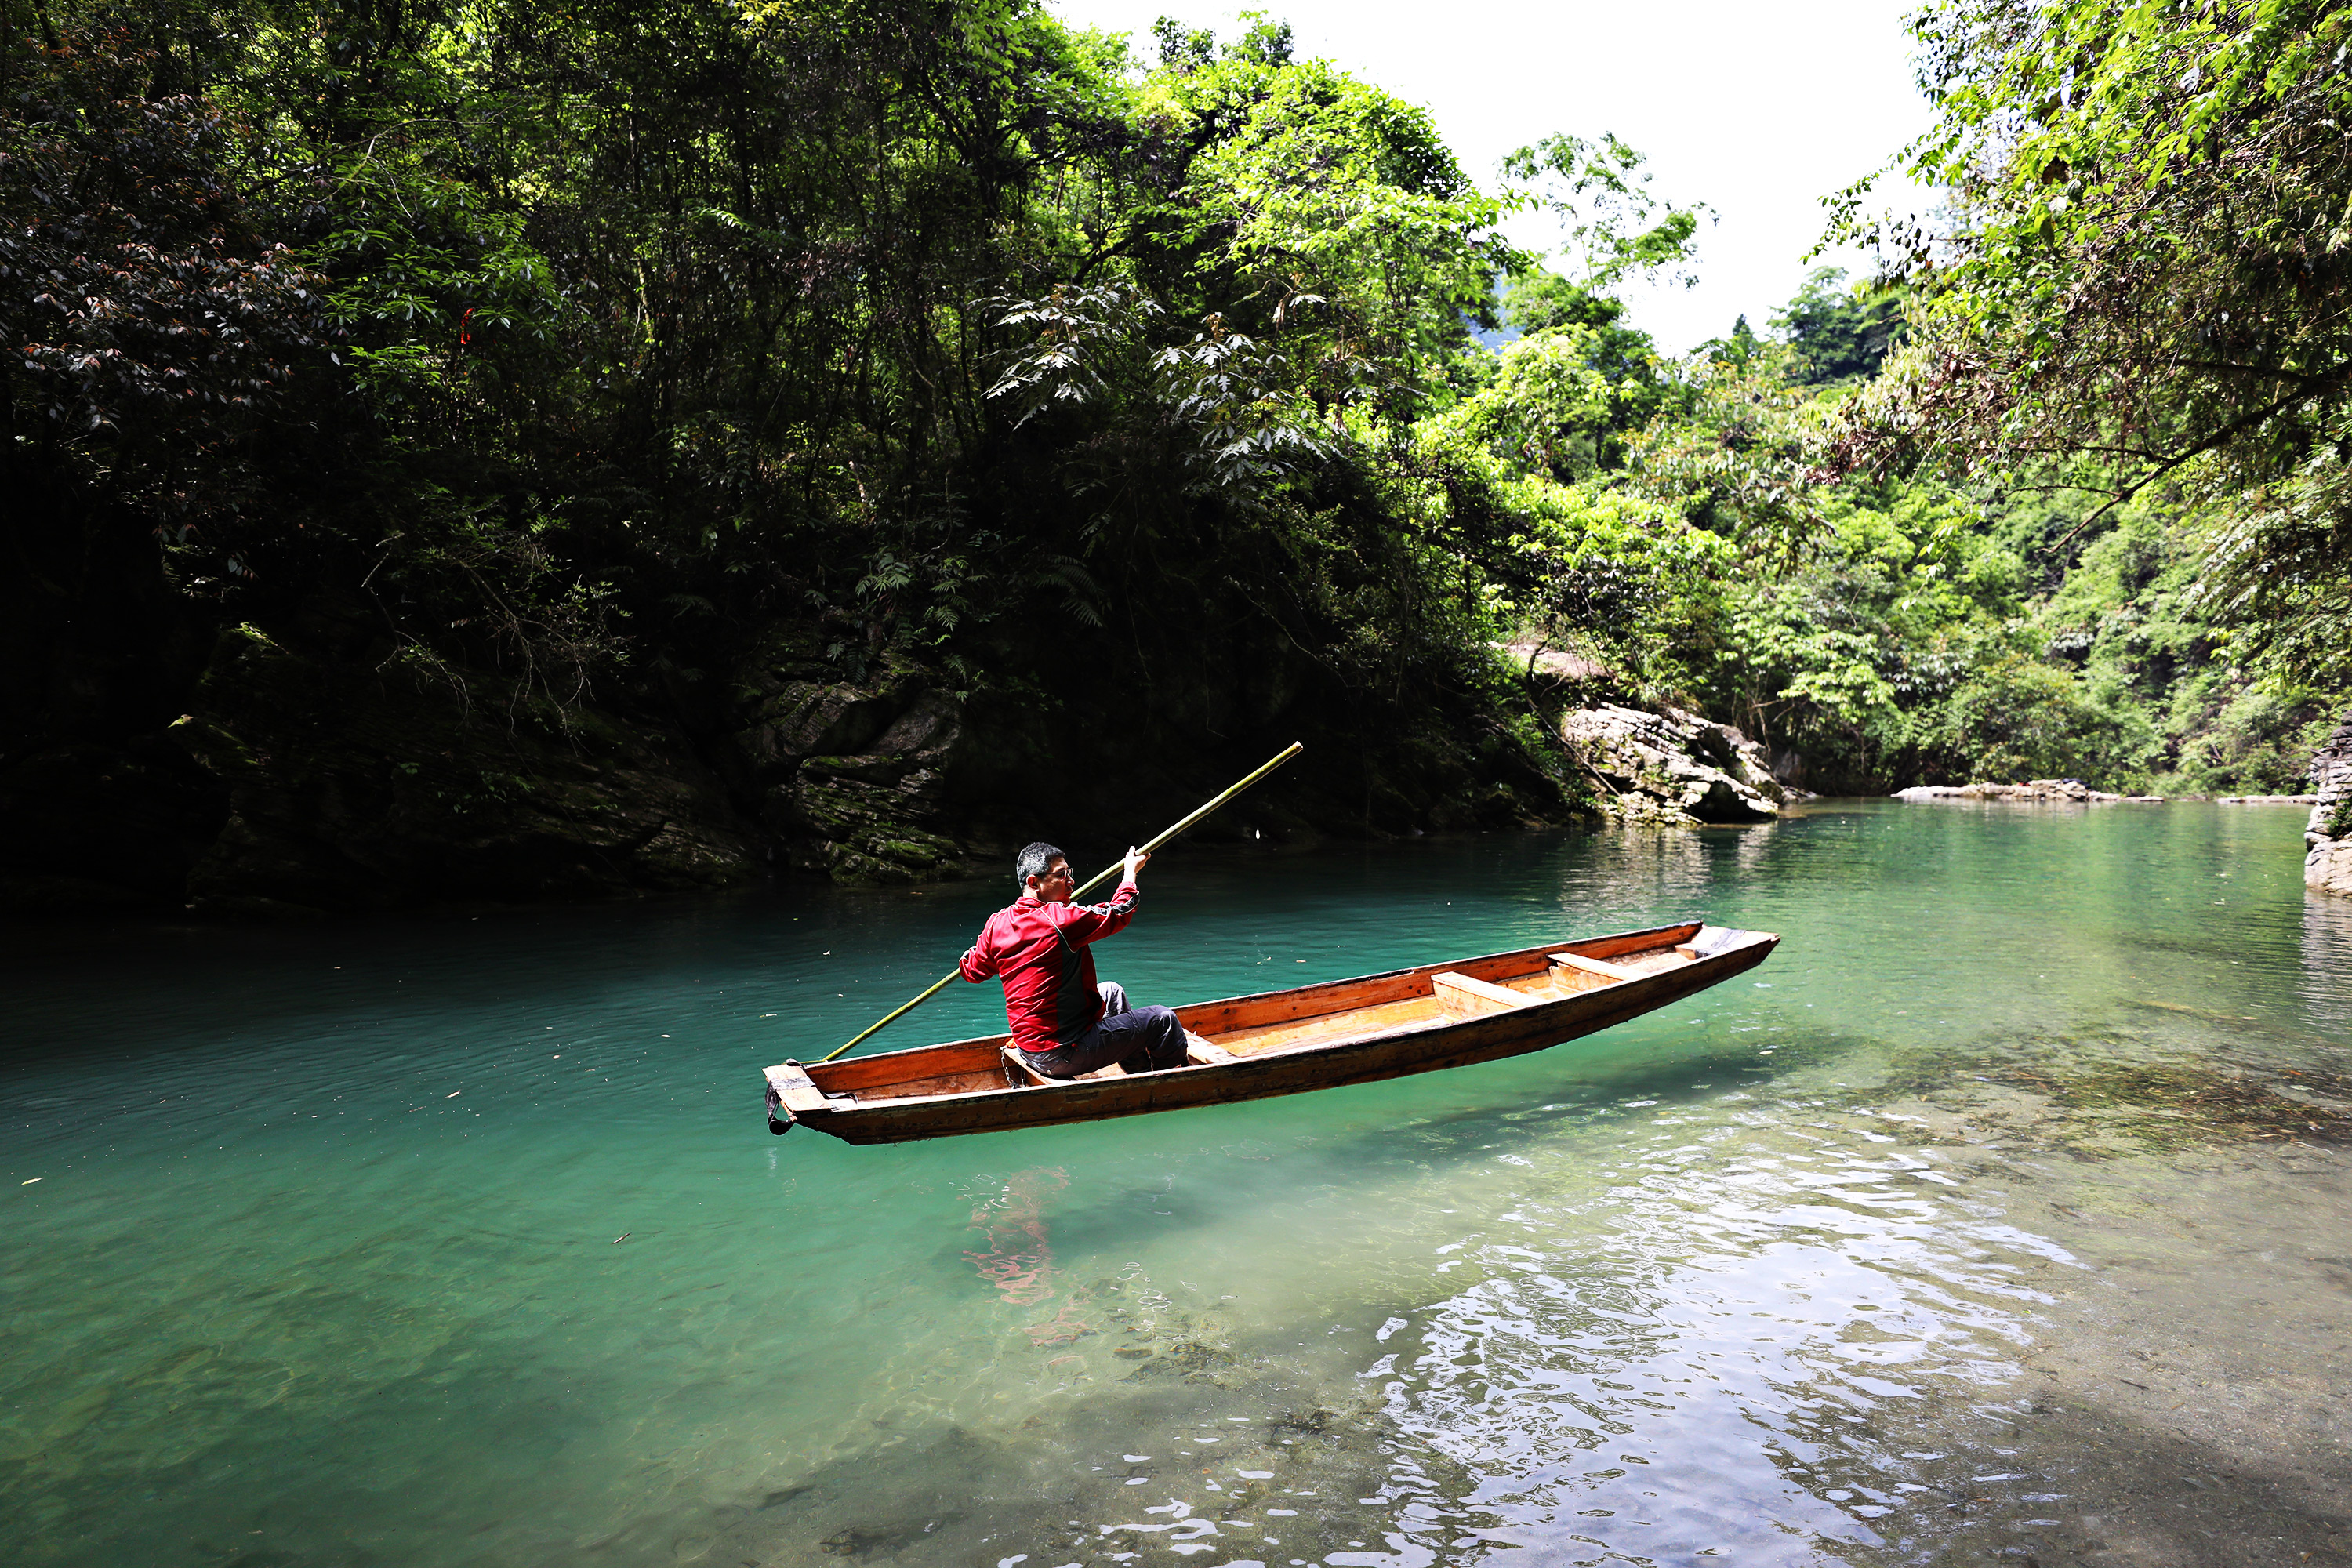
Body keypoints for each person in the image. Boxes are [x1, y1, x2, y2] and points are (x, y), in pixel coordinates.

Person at [958, 840, 1189, 1078]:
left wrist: (979, 946)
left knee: (1111, 992)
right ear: (1034, 882)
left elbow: (972, 971)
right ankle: (1168, 1086)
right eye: (1061, 875)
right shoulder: (1059, 920)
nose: (1071, 881)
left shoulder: (998, 922)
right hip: (1063, 1054)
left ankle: (1139, 1075)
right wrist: (1130, 872)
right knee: (1164, 1020)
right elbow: (1122, 909)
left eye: (1070, 873)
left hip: (1031, 1048)